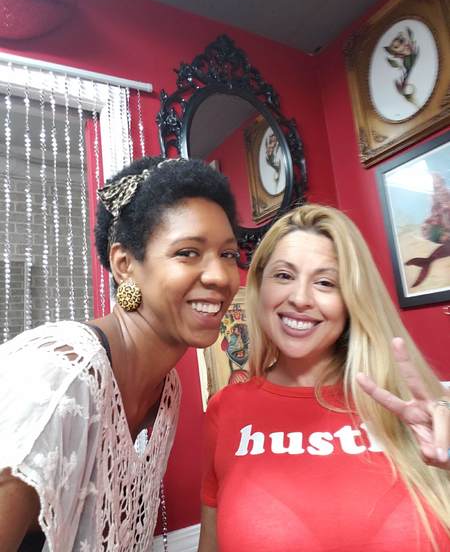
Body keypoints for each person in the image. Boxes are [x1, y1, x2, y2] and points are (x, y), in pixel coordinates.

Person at [0, 155, 241, 551]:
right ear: (125, 264)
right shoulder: (61, 377)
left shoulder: (166, 390)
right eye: (188, 252)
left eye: (228, 254)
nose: (220, 276)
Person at [199, 204, 449, 552]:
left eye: (325, 282)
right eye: (283, 275)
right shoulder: (225, 410)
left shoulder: (413, 407)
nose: (300, 299)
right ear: (259, 287)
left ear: (351, 300)